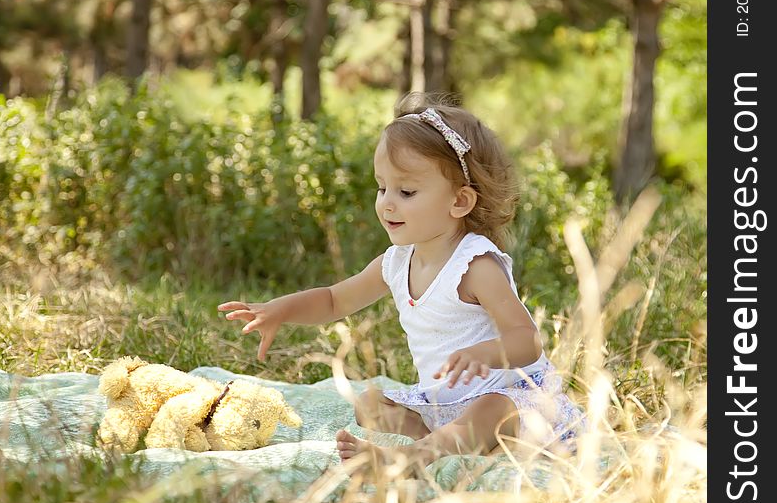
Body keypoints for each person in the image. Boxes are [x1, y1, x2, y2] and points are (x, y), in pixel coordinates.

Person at [218, 93, 585, 466]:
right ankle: (442, 443)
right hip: (444, 406)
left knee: (492, 409)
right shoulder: (396, 263)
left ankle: (412, 457)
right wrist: (281, 310)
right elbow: (334, 300)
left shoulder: (475, 266)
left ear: (459, 202)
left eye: (406, 192)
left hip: (514, 405)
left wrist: (484, 353)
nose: (387, 203)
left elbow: (527, 341)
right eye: (382, 188)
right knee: (370, 403)